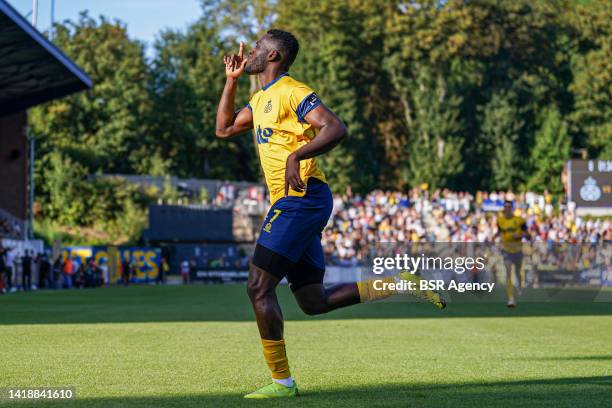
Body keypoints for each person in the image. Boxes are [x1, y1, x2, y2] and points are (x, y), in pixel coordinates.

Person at [215, 29, 445, 399]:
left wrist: (296, 155)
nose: (252, 51)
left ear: (274, 56)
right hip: (295, 202)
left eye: (259, 47)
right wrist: (231, 82)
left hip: (301, 198)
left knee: (258, 287)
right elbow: (223, 129)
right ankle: (400, 283)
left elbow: (335, 127)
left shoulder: (293, 91)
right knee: (313, 301)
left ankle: (282, 383)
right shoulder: (259, 100)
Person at [497, 200, 528, 308]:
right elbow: (500, 232)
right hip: (506, 251)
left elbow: (527, 233)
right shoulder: (500, 220)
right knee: (508, 272)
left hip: (518, 250)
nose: (507, 209)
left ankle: (519, 285)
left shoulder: (519, 220)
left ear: (512, 208)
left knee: (518, 272)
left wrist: (518, 235)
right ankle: (511, 298)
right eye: (505, 207)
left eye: (509, 207)